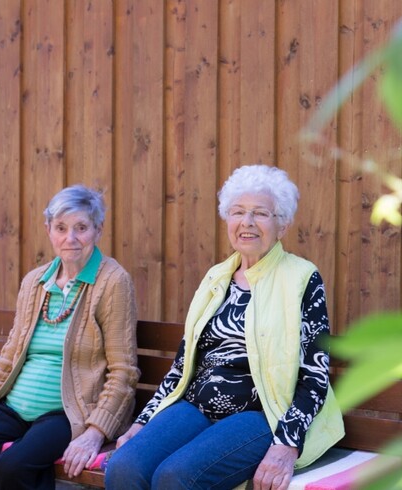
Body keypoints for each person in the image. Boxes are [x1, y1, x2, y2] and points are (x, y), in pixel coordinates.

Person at [105, 165, 344, 490]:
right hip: (196, 405)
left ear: (282, 224)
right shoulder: (216, 277)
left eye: (260, 213)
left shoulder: (301, 278)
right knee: (123, 466)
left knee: (175, 478)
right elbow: (183, 364)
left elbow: (314, 374)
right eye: (238, 212)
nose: (247, 223)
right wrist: (144, 422)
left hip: (261, 414)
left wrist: (287, 443)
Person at [0, 184, 140, 490]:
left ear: (98, 230)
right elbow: (9, 356)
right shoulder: (35, 282)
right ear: (49, 230)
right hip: (14, 407)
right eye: (61, 228)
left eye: (81, 227)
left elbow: (124, 371)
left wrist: (95, 432)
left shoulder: (113, 282)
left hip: (66, 414)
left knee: (14, 465)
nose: (71, 238)